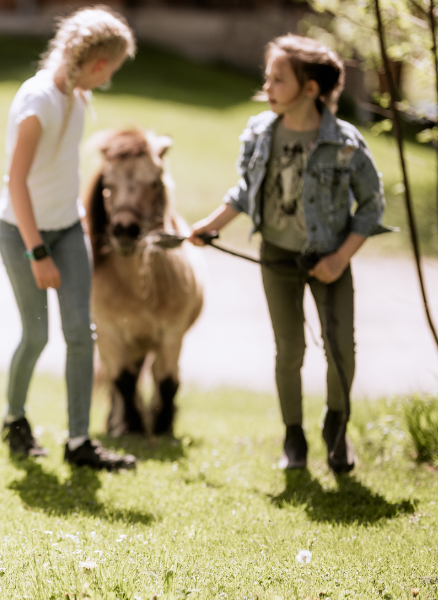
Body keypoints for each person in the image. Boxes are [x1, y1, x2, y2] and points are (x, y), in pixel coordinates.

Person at [189, 34, 391, 474]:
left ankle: (336, 430)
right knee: (289, 350)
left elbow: (372, 204)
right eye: (269, 77)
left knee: (341, 349)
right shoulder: (261, 131)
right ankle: (293, 437)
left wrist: (340, 258)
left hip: (329, 258)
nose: (269, 85)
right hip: (277, 257)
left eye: (279, 78)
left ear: (311, 89)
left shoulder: (345, 141)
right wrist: (211, 226)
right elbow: (246, 189)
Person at [0, 6, 137, 470]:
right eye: (111, 71)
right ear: (97, 64)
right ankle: (14, 419)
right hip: (22, 233)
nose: (108, 79)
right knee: (36, 335)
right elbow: (16, 183)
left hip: (68, 228)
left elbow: (61, 170)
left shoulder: (76, 96)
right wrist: (37, 252)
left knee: (81, 333)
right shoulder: (38, 103)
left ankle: (79, 442)